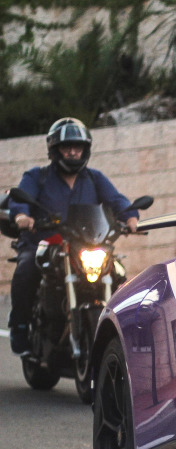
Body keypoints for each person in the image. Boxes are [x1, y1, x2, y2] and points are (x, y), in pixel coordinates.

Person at [7, 117, 141, 356]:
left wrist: (130, 218)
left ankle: (121, 331)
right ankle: (19, 326)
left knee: (118, 272)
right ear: (54, 150)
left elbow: (116, 200)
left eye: (77, 147)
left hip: (85, 245)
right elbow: (20, 199)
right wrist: (22, 218)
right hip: (45, 244)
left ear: (85, 150)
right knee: (27, 267)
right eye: (66, 147)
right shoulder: (37, 176)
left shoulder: (94, 178)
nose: (72, 152)